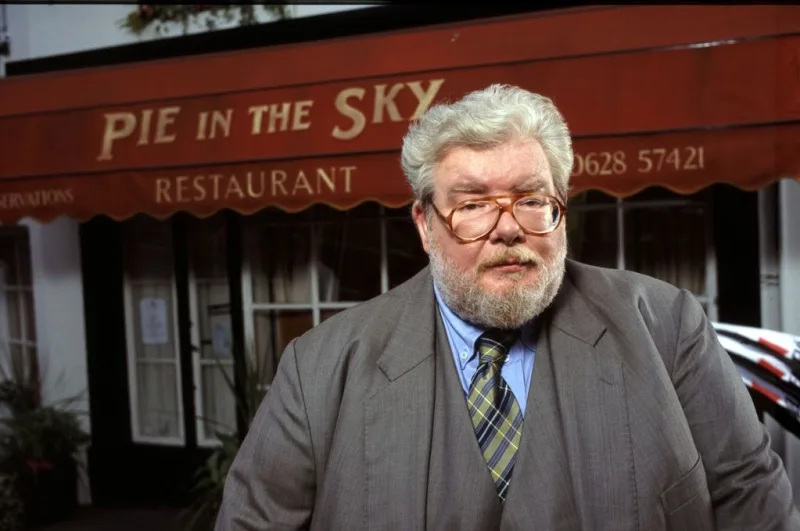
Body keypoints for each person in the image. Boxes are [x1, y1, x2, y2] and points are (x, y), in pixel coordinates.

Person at [215, 84, 799, 530]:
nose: (507, 228)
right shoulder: (318, 369)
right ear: (424, 224)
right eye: (472, 204)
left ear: (561, 208)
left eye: (530, 198)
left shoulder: (669, 327)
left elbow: (754, 504)